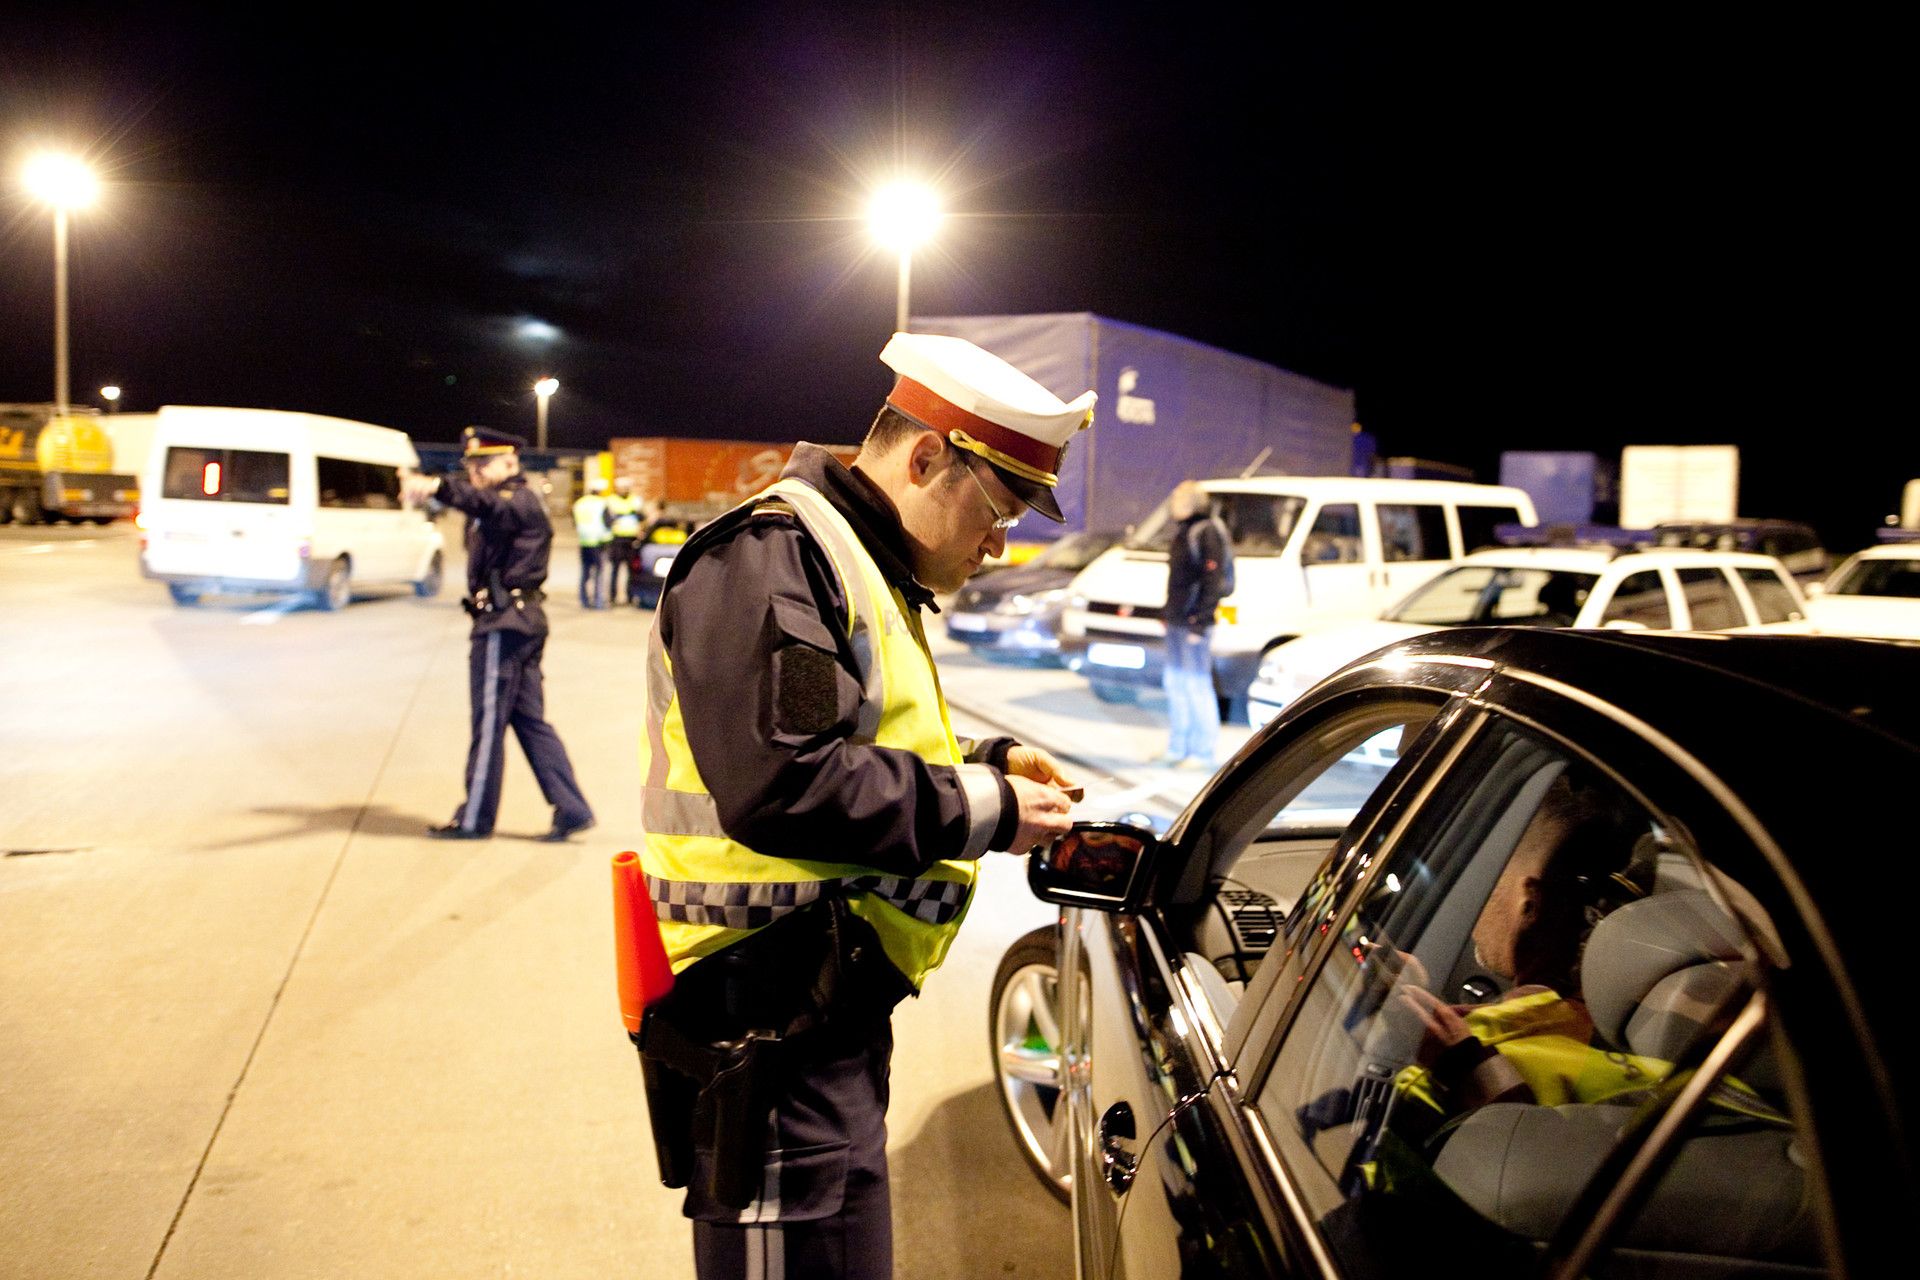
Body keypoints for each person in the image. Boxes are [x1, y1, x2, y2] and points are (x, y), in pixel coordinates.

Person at [634, 332, 1093, 1279]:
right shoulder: (774, 557)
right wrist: (992, 809)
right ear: (927, 457)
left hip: (820, 1017)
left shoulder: (853, 563)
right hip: (763, 1021)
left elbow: (861, 749)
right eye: (1002, 507)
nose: (1002, 542)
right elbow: (783, 781)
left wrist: (992, 759)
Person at [401, 427, 596, 843]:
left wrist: (437, 485)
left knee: (488, 722)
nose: (473, 472)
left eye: (481, 464)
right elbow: (482, 507)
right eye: (469, 465)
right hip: (521, 622)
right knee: (529, 721)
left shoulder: (514, 500)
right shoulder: (507, 503)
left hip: (503, 626)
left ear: (510, 462)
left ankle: (474, 818)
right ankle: (572, 808)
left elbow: (485, 504)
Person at [1155, 479, 1233, 768]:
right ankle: (1178, 748)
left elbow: (1212, 581)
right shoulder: (1184, 531)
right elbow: (1179, 581)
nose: (1172, 503)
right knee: (1175, 683)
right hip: (1178, 622)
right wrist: (1167, 614)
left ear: (1190, 502)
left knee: (1197, 686)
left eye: (1177, 498)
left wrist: (1200, 623)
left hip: (1193, 625)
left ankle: (1202, 752)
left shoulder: (1207, 531)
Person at [571, 474, 612, 609]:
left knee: (585, 572)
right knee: (599, 573)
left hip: (584, 542)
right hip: (600, 542)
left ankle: (584, 600)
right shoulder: (602, 504)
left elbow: (575, 523)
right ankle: (599, 602)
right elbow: (608, 522)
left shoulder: (579, 503)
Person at [605, 477, 644, 606]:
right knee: (615, 570)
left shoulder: (635, 500)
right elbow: (606, 520)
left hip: (631, 540)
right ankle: (612, 597)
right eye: (623, 488)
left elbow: (641, 518)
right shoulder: (611, 501)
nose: (625, 490)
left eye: (627, 488)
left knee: (631, 571)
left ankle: (630, 596)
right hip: (617, 540)